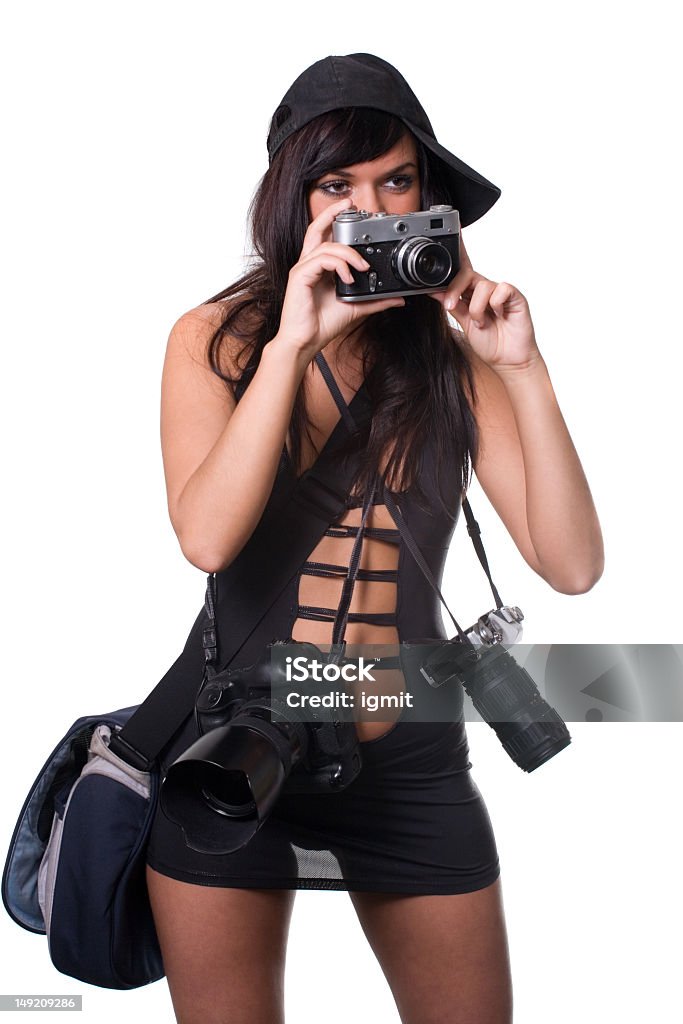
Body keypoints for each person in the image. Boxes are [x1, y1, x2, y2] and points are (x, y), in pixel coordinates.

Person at [144, 53, 604, 1024]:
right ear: (293, 201)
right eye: (336, 185)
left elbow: (570, 564)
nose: (370, 205)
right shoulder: (216, 339)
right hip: (235, 749)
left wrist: (522, 370)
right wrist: (290, 345)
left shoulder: (449, 351)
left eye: (395, 180)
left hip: (404, 755)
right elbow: (208, 539)